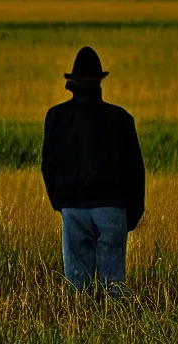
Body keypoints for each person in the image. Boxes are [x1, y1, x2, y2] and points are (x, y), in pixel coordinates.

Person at [41, 46, 145, 298]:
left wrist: (60, 203)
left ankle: (82, 331)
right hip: (112, 209)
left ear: (72, 81)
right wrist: (132, 214)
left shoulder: (57, 116)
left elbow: (48, 165)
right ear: (100, 81)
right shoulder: (121, 119)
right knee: (114, 287)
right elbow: (135, 169)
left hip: (73, 208)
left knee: (77, 290)